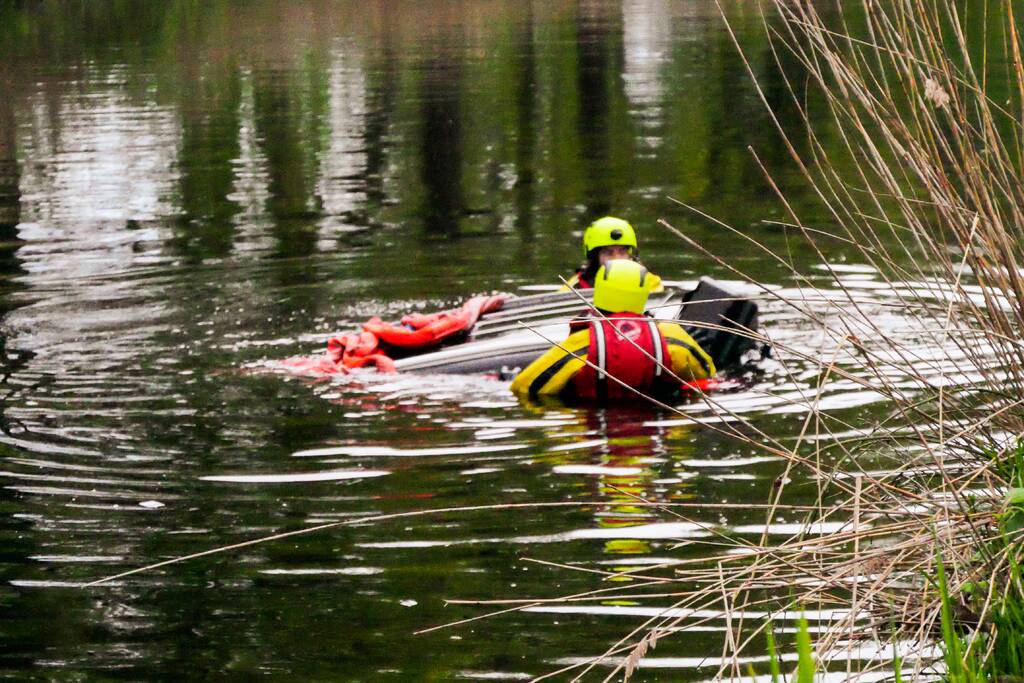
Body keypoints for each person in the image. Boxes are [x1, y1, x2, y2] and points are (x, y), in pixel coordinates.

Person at [511, 259, 714, 401]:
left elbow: (523, 387)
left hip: (594, 432)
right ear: (644, 293)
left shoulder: (581, 344)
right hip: (657, 433)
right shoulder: (672, 337)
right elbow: (708, 374)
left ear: (599, 291)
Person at [562, 216, 663, 292]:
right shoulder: (575, 288)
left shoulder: (648, 282)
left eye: (622, 251)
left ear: (630, 254)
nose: (617, 259)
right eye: (608, 253)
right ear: (594, 257)